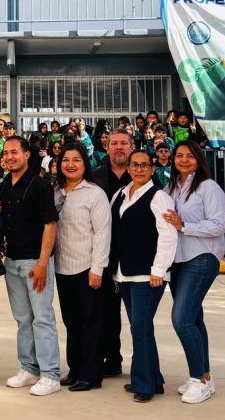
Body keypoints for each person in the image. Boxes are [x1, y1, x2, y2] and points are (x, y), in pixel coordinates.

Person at [161, 141, 225, 404]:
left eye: (190, 156)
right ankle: (205, 377)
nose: (184, 160)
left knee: (182, 319)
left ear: (199, 159)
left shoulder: (207, 187)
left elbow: (219, 225)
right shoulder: (172, 186)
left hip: (201, 258)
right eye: (179, 156)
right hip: (178, 260)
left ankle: (198, 377)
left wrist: (184, 225)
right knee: (195, 319)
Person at [0, 136, 61, 396]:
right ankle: (29, 367)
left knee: (42, 318)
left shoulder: (39, 185)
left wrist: (44, 262)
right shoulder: (4, 185)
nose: (9, 156)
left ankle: (50, 374)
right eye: (6, 153)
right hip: (12, 260)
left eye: (15, 152)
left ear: (26, 155)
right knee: (23, 319)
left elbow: (50, 224)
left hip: (35, 261)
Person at [111, 149, 177, 403]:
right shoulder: (120, 194)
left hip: (148, 276)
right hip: (124, 273)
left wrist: (159, 270)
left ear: (152, 169)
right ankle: (154, 378)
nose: (139, 169)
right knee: (141, 327)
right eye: (134, 165)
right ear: (128, 168)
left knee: (140, 327)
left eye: (144, 165)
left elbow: (169, 236)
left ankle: (144, 384)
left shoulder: (159, 197)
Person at [52, 142, 112, 393]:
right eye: (66, 160)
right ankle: (75, 370)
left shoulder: (94, 193)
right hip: (62, 268)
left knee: (91, 324)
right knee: (71, 322)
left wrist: (97, 268)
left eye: (76, 160)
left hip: (87, 269)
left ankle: (91, 374)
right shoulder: (55, 191)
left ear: (84, 163)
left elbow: (102, 233)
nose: (70, 164)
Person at [91, 128, 137, 377]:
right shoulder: (96, 176)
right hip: (104, 255)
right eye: (114, 143)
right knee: (106, 312)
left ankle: (142, 362)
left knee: (137, 316)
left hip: (135, 256)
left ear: (132, 146)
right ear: (107, 147)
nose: (119, 147)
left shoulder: (142, 174)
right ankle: (111, 359)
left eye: (124, 143)